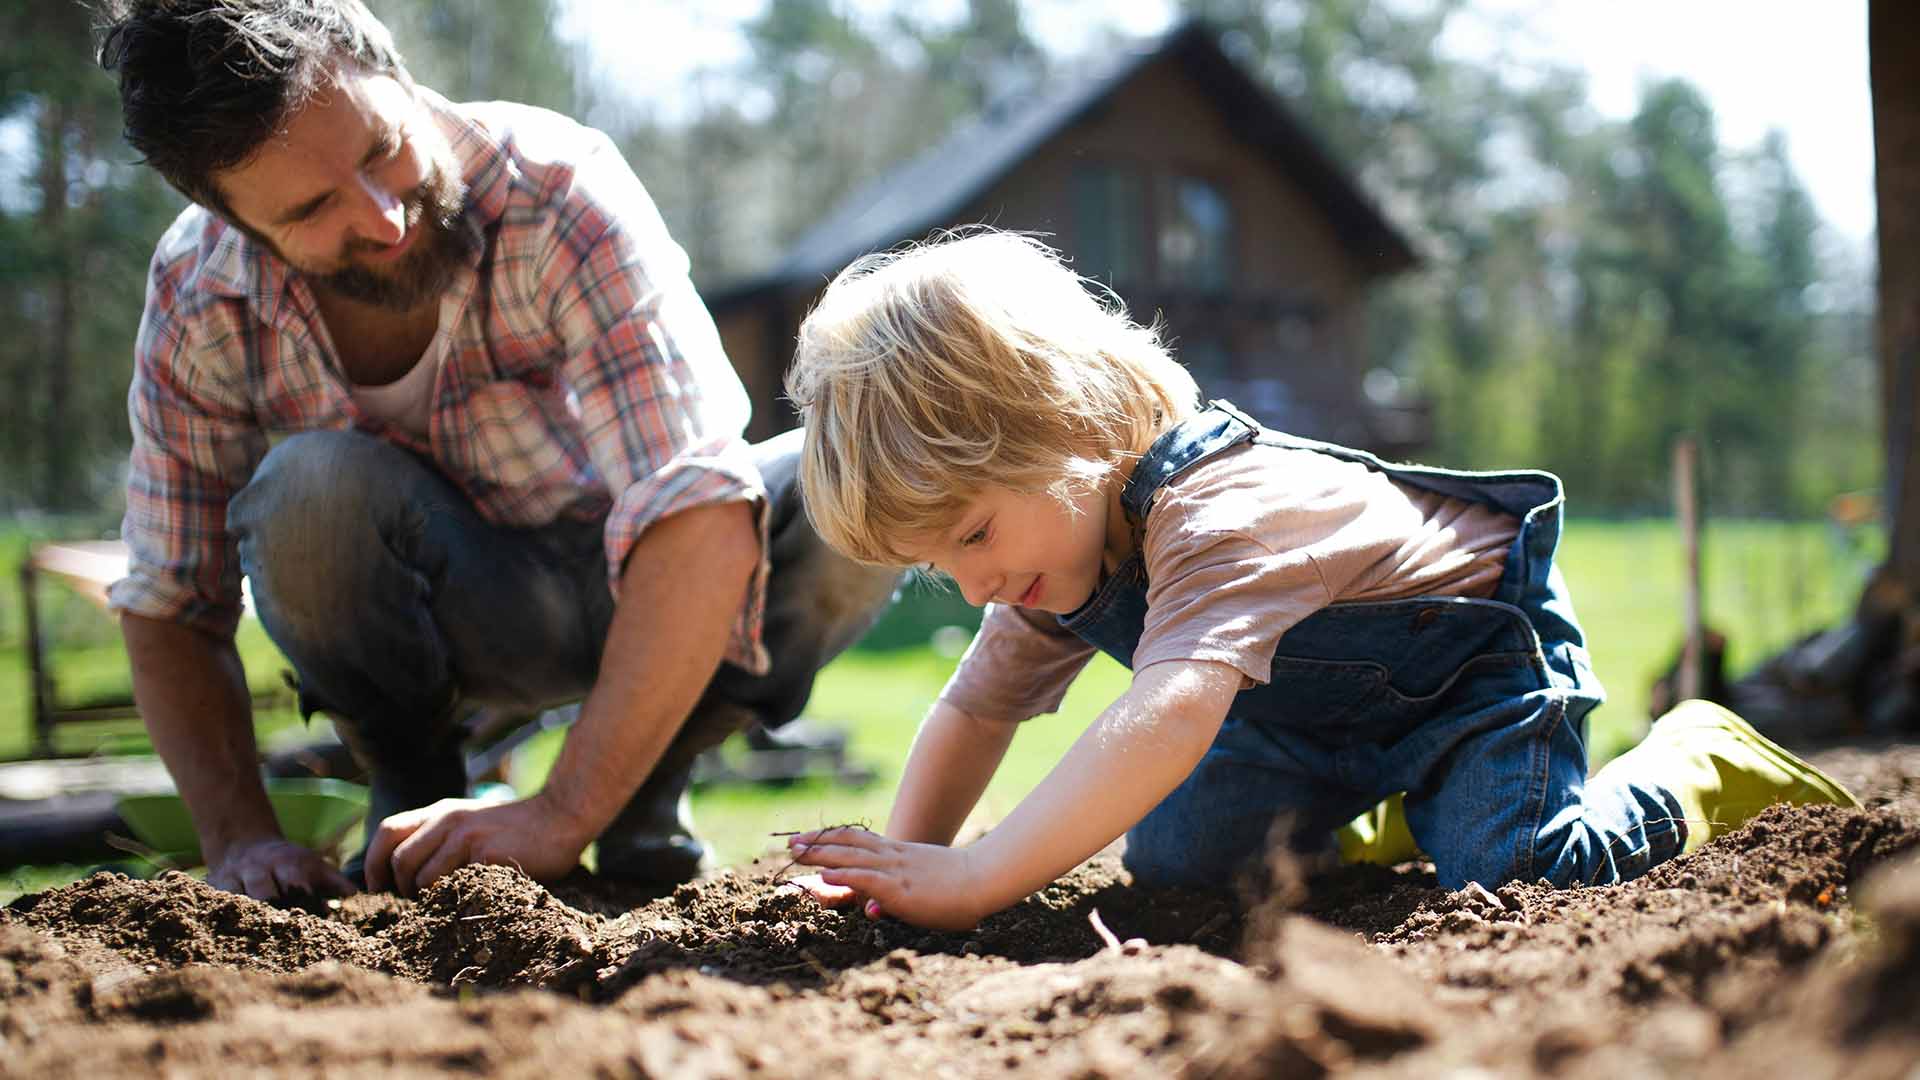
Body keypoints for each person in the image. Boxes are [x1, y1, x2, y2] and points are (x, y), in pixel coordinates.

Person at [781, 229, 1858, 931]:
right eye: (938, 568)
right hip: (1301, 720)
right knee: (1179, 862)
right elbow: (975, 707)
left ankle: (1695, 761)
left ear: (1069, 430)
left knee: (1525, 870)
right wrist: (906, 862)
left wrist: (979, 876)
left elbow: (1165, 717)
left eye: (970, 536)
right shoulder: (1048, 556)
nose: (972, 588)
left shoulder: (1220, 512)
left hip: (1470, 667)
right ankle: (1385, 802)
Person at [95, 0, 898, 902]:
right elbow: (171, 602)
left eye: (378, 150)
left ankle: (643, 795)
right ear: (232, 219)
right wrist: (239, 838)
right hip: (458, 613)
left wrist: (561, 812)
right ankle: (419, 802)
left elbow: (696, 510)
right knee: (305, 492)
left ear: (395, 73)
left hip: (661, 589)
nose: (385, 217)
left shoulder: (558, 188)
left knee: (862, 475)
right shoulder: (202, 296)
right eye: (316, 207)